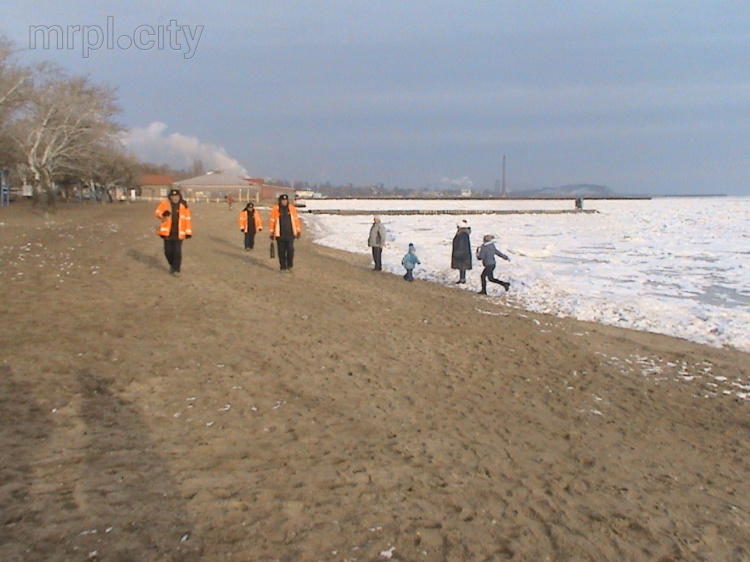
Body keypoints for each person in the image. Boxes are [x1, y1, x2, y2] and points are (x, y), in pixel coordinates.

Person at [155, 188, 192, 277]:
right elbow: (157, 212)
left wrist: (188, 232)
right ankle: (172, 264)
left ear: (179, 197)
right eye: (173, 196)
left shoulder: (184, 206)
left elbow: (187, 220)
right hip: (167, 233)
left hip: (179, 233)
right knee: (167, 251)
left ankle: (176, 269)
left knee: (177, 252)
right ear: (170, 197)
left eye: (177, 196)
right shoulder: (165, 204)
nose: (175, 198)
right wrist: (162, 214)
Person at [269, 193, 302, 271]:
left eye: (285, 200)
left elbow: (296, 220)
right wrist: (271, 232)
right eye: (283, 200)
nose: (284, 202)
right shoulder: (275, 209)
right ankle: (283, 266)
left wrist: (298, 231)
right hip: (279, 234)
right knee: (281, 251)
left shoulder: (292, 208)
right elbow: (272, 221)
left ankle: (289, 265)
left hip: (290, 233)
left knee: (290, 250)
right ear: (280, 201)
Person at [451, 219, 472, 284]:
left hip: (462, 252)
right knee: (462, 266)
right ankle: (462, 279)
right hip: (464, 252)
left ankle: (462, 280)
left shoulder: (462, 234)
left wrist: (457, 253)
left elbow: (461, 244)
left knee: (462, 266)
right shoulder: (463, 233)